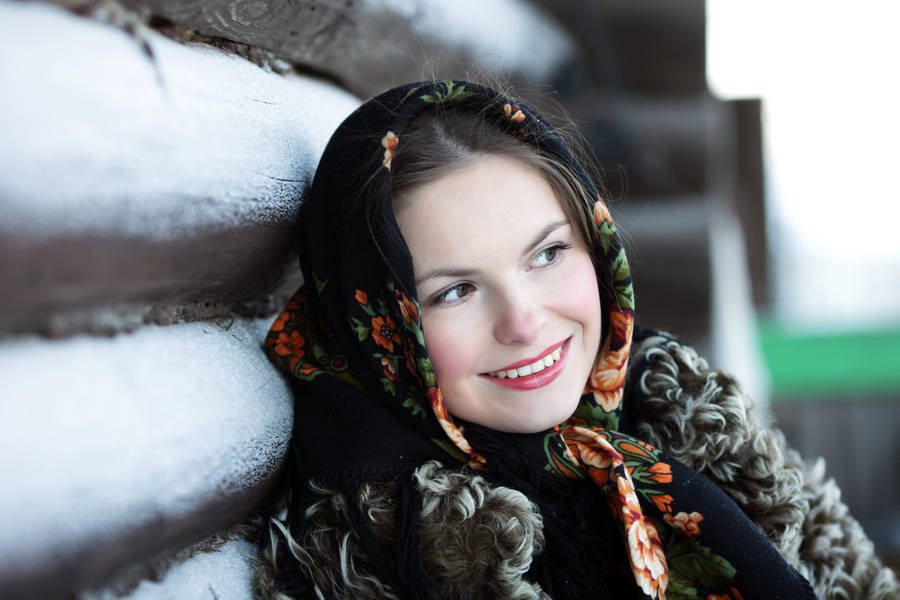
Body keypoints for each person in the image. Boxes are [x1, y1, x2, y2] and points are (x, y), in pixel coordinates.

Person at [258, 81, 893, 599]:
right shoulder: (382, 553)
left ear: (597, 247)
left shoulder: (695, 423)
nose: (524, 321)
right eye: (455, 292)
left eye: (548, 254)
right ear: (379, 331)